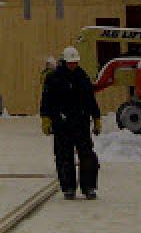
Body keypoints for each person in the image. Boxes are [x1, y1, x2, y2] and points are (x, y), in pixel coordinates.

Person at [40, 46, 101, 200]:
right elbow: (46, 101)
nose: (73, 65)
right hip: (62, 124)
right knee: (64, 156)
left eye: (75, 62)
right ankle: (68, 187)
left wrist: (96, 118)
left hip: (81, 123)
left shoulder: (83, 77)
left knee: (87, 156)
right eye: (70, 63)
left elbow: (90, 100)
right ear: (64, 62)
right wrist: (46, 119)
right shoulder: (53, 79)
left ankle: (89, 187)